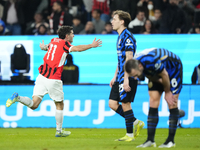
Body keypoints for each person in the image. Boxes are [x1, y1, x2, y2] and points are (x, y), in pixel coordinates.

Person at [6, 25, 102, 137]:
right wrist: (91, 45)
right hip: (53, 79)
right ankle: (59, 131)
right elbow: (77, 49)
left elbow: (50, 47)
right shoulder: (65, 44)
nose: (73, 35)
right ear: (66, 36)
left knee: (34, 104)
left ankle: (18, 98)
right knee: (60, 104)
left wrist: (44, 47)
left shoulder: (53, 41)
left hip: (41, 76)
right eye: (72, 33)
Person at [124, 48, 183, 148]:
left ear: (140, 66)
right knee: (153, 101)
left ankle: (170, 141)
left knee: (172, 102)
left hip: (172, 69)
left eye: (135, 75)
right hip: (155, 71)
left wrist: (167, 91)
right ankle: (150, 140)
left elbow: (164, 74)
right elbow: (152, 76)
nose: (136, 78)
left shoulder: (151, 60)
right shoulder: (137, 64)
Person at [109, 10, 144, 142]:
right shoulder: (120, 36)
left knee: (125, 104)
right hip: (120, 77)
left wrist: (126, 79)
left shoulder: (128, 37)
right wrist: (115, 76)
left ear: (122, 21)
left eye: (114, 19)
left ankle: (129, 135)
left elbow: (129, 60)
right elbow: (121, 60)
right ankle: (135, 122)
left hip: (128, 77)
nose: (112, 22)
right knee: (112, 103)